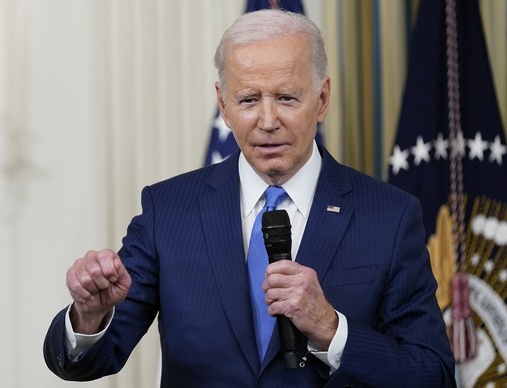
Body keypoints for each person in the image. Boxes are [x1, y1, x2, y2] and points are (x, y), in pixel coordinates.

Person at [44, 9, 456, 387]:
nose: (268, 121)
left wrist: (331, 328)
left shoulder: (390, 215)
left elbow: (433, 375)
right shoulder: (168, 210)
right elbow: (86, 361)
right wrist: (89, 315)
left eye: (287, 98)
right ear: (223, 104)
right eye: (248, 100)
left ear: (322, 99)